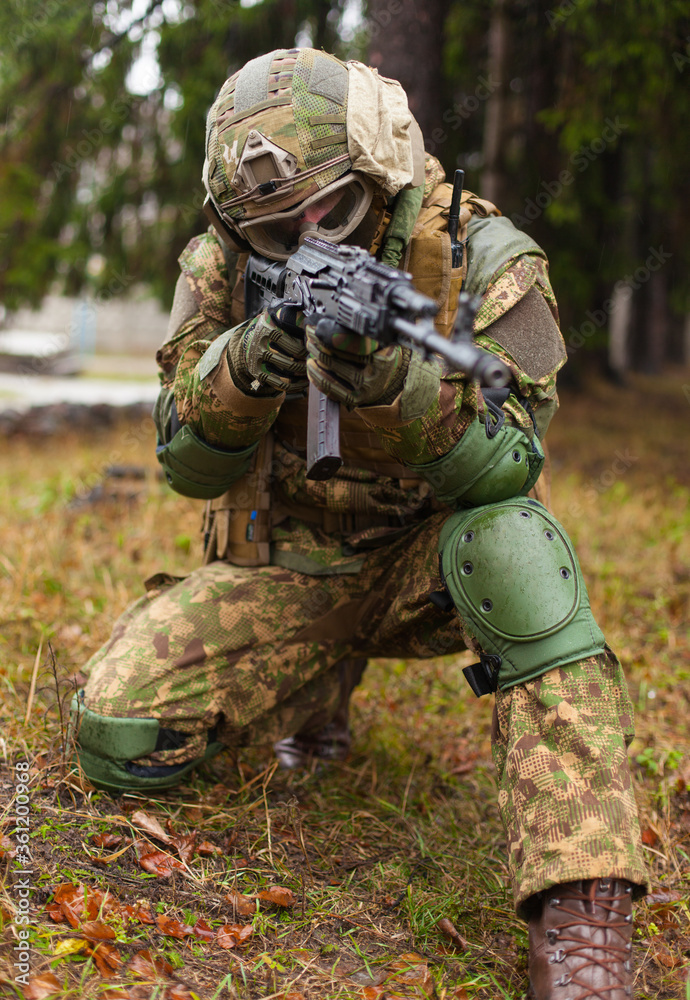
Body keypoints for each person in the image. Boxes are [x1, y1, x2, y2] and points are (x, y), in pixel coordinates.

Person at [72, 48, 648, 998]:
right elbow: (185, 463)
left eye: (331, 213)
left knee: (517, 545)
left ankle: (583, 908)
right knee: (119, 734)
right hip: (290, 565)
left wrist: (401, 385)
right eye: (274, 229)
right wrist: (249, 364)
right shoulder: (218, 266)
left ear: (380, 173)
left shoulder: (484, 257)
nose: (308, 241)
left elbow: (514, 462)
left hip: (437, 564)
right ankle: (316, 683)